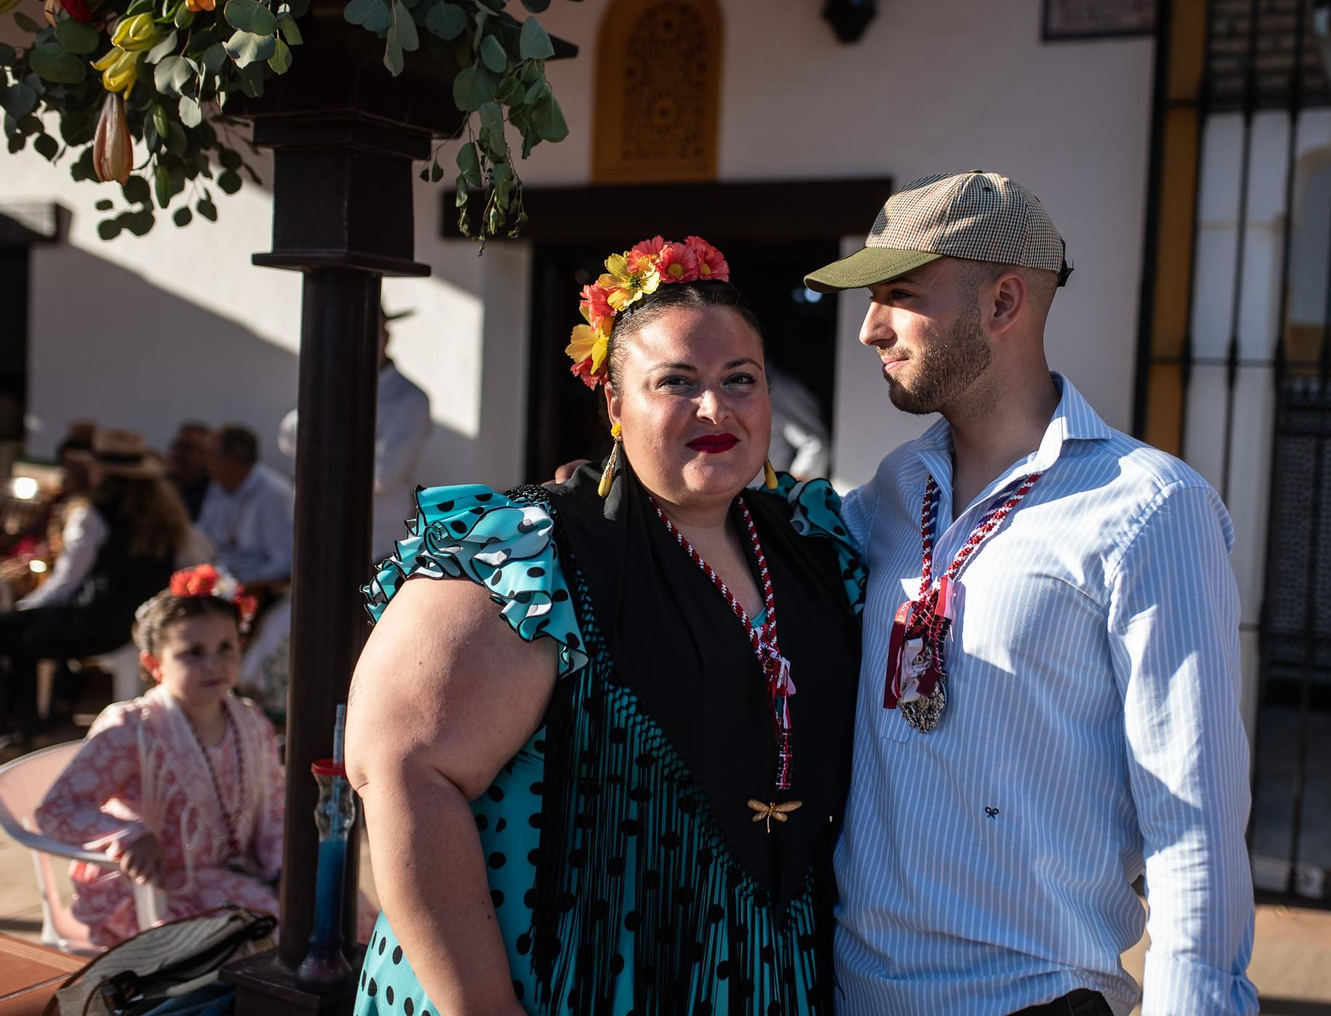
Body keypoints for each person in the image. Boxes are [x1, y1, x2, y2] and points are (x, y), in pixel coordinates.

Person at [346, 235, 864, 1015]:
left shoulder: (814, 546)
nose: (715, 407)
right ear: (617, 406)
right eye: (676, 382)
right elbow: (401, 770)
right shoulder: (533, 551)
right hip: (561, 975)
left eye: (740, 381)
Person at [803, 172, 1257, 1016]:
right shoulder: (898, 485)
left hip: (1034, 1001)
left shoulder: (1151, 509)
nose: (869, 328)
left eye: (900, 294)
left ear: (1003, 302)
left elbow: (1192, 818)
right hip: (855, 992)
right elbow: (771, 549)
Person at [35, 566, 284, 948]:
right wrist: (128, 836)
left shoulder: (250, 720)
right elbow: (57, 808)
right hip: (149, 887)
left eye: (225, 648)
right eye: (193, 653)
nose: (213, 664)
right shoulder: (133, 728)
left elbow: (273, 810)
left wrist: (282, 867)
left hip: (229, 874)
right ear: (155, 665)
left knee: (328, 909)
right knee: (274, 933)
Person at [0, 430, 203, 746]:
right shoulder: (168, 513)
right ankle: (39, 721)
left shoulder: (93, 514)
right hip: (142, 622)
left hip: (98, 622)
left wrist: (24, 610)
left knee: (12, 632)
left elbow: (65, 584)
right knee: (22, 633)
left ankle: (28, 727)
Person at [277, 306, 433, 564]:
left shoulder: (410, 398)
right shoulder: (331, 385)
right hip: (318, 532)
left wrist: (322, 453)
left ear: (385, 336)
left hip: (376, 542)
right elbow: (289, 438)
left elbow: (383, 475)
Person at [195, 425, 293, 587]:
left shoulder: (274, 493)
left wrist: (246, 586)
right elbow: (205, 538)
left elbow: (283, 561)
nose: (205, 464)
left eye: (211, 457)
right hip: (218, 581)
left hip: (257, 588)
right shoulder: (217, 487)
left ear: (232, 460)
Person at [166, 422, 213, 522]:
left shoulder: (214, 495)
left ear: (207, 456)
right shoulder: (158, 488)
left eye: (188, 448)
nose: (178, 454)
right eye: (176, 446)